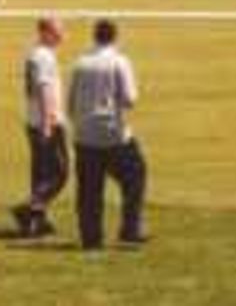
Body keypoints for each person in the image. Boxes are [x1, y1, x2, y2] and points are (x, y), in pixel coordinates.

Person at [68, 18, 148, 249]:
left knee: (89, 190)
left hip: (84, 135)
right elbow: (130, 99)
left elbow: (71, 102)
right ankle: (130, 229)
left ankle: (91, 238)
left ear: (95, 36)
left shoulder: (80, 62)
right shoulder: (119, 62)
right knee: (135, 177)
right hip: (113, 133)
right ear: (115, 36)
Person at [12, 16, 69, 238]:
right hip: (47, 122)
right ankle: (28, 209)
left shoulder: (36, 54)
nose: (62, 34)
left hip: (33, 121)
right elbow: (44, 90)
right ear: (44, 32)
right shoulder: (44, 57)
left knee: (41, 174)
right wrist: (48, 123)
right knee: (60, 173)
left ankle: (37, 220)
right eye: (57, 30)